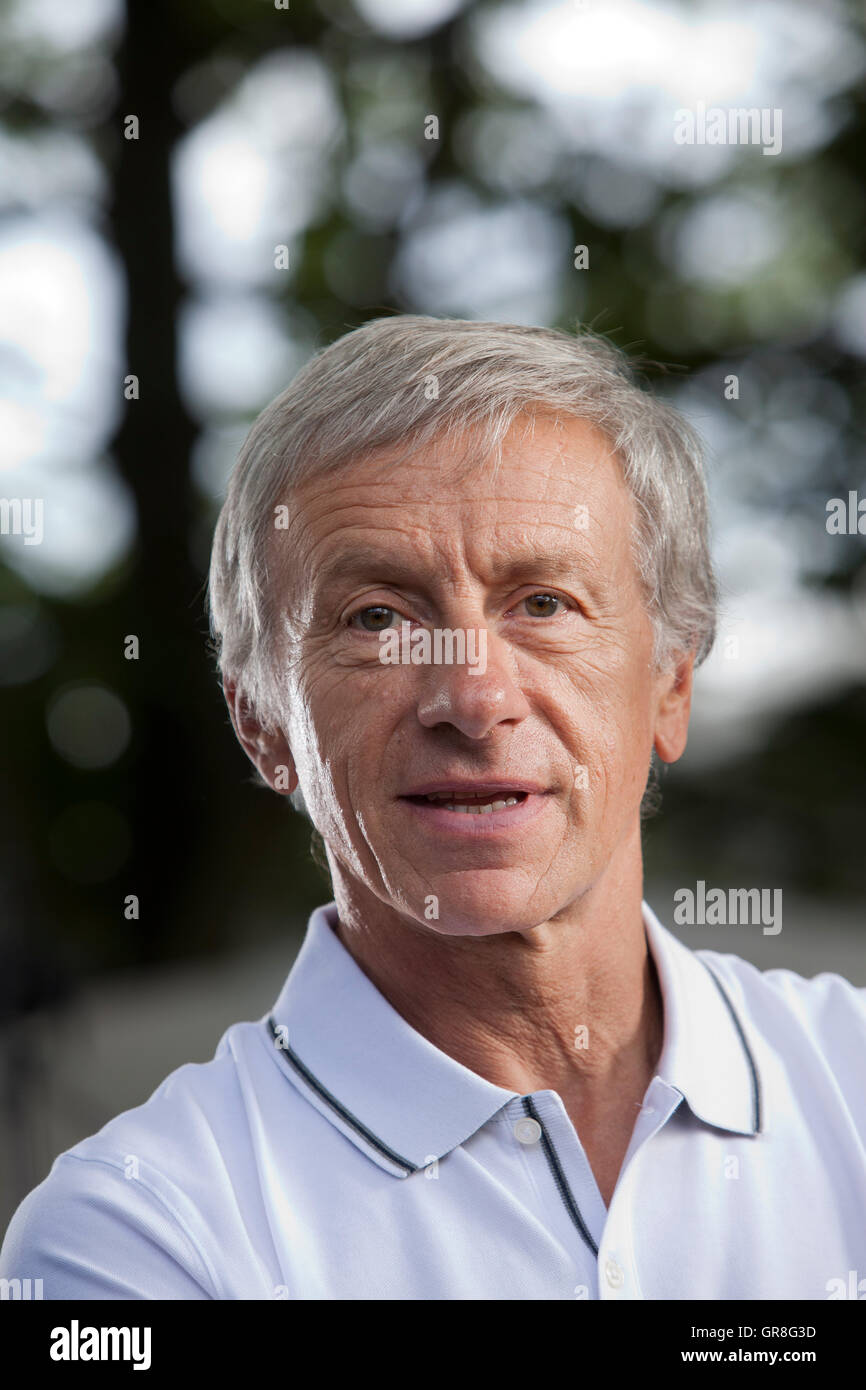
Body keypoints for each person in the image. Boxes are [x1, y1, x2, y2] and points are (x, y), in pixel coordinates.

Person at [2, 315, 864, 1300]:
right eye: (377, 617)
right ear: (261, 724)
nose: (471, 696)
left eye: (542, 603)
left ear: (669, 686)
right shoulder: (140, 1234)